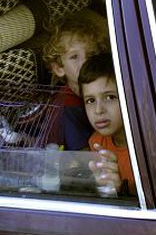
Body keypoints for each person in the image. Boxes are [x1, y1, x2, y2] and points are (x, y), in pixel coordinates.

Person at [42, 9, 110, 150]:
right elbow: (82, 155)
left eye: (91, 55)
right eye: (74, 57)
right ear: (59, 69)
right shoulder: (68, 106)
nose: (85, 62)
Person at [79, 53, 136, 195]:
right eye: (90, 100)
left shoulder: (152, 149)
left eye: (110, 97)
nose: (98, 110)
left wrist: (121, 191)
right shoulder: (97, 142)